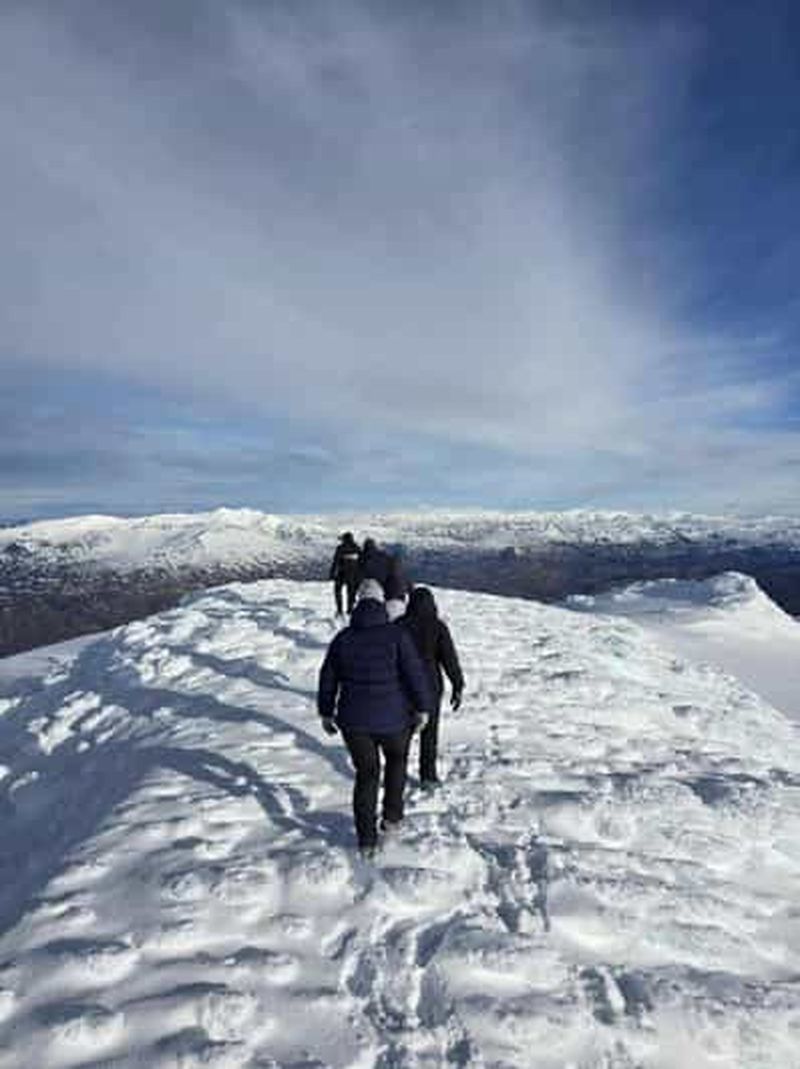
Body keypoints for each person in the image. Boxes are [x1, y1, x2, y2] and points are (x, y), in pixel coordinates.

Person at [317, 579, 433, 855]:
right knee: (397, 763)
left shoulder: (343, 639)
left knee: (367, 775)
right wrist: (423, 707)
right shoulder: (397, 636)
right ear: (382, 603)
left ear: (357, 602)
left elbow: (328, 678)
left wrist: (325, 711)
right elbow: (414, 675)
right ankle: (391, 819)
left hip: (354, 723)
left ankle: (366, 840)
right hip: (395, 720)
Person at [399, 586, 464, 790]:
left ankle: (397, 775)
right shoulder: (438, 627)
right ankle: (428, 776)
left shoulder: (399, 625)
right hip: (431, 686)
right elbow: (449, 659)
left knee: (403, 733)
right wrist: (457, 684)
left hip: (404, 686)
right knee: (430, 733)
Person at [328, 531, 361, 616]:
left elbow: (335, 562)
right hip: (353, 575)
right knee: (351, 592)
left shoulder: (340, 548)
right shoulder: (357, 548)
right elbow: (362, 563)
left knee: (337, 590)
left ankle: (339, 610)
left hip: (342, 574)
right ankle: (350, 610)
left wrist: (332, 574)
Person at [384, 553, 411, 622]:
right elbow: (411, 590)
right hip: (400, 601)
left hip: (388, 601)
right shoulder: (404, 577)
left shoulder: (386, 576)